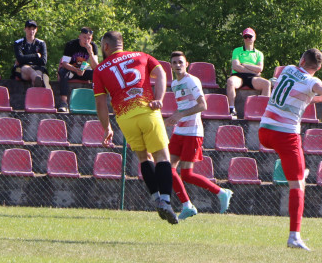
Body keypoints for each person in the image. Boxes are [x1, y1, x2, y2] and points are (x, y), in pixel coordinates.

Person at [261, 48, 322, 251]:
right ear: (318, 68)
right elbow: (317, 87)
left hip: (265, 130)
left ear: (301, 59)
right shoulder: (312, 81)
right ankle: (294, 236)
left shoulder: (288, 70)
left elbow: (305, 93)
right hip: (285, 134)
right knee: (299, 183)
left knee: (295, 172)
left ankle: (290, 169)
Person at [93, 30, 178, 224]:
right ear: (121, 44)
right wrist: (159, 99)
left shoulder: (99, 69)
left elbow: (100, 104)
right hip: (147, 111)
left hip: (125, 118)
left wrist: (107, 128)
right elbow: (162, 73)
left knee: (143, 157)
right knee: (162, 157)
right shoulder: (142, 56)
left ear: (106, 46)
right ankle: (165, 201)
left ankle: (155, 197)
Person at [164, 51, 234, 220]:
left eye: (180, 62)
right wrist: (173, 118)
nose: (178, 65)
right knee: (168, 169)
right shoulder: (174, 83)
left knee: (187, 174)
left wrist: (180, 115)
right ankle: (187, 205)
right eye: (174, 62)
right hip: (179, 131)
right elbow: (184, 106)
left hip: (193, 132)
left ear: (186, 64)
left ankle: (221, 192)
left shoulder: (191, 80)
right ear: (171, 66)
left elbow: (202, 105)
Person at [225, 28, 271, 117]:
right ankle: (231, 109)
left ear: (254, 38)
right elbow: (236, 67)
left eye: (250, 36)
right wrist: (253, 70)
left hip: (252, 78)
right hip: (239, 76)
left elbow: (260, 68)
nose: (248, 38)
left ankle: (263, 110)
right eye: (245, 36)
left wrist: (244, 64)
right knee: (230, 82)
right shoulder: (237, 50)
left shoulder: (259, 53)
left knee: (267, 83)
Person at [57, 27, 99, 112]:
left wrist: (90, 52)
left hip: (84, 70)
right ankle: (64, 102)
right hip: (71, 70)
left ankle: (97, 102)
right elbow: (64, 64)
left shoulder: (93, 46)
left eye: (89, 38)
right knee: (63, 72)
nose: (86, 40)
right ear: (79, 36)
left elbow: (96, 67)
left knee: (98, 74)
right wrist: (76, 70)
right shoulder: (71, 45)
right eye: (84, 37)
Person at [12, 20, 51, 89]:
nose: (31, 31)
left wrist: (25, 59)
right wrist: (36, 56)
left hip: (37, 68)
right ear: (25, 29)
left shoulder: (41, 43)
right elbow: (20, 59)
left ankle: (35, 98)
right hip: (20, 69)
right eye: (29, 29)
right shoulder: (18, 43)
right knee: (29, 70)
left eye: (33, 29)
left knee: (38, 75)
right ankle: (37, 79)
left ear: (36, 30)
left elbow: (43, 61)